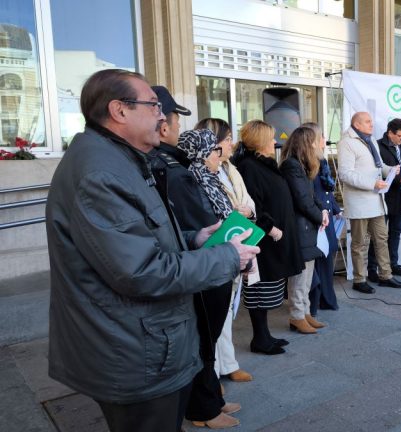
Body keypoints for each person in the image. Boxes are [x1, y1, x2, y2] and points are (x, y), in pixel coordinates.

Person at [46, 69, 258, 432]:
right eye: (154, 105)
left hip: (144, 343)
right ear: (119, 111)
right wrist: (225, 257)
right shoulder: (102, 173)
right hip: (134, 353)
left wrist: (194, 238)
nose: (163, 116)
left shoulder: (120, 159)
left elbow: (139, 237)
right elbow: (140, 271)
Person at [175, 129, 244, 429]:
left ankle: (211, 399)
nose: (220, 155)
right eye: (215, 150)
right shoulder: (187, 181)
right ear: (202, 154)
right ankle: (202, 409)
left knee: (211, 338)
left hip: (219, 264)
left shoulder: (206, 179)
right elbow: (199, 226)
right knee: (205, 340)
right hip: (206, 268)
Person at [193, 117, 254, 383]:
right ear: (213, 142)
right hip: (218, 246)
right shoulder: (198, 173)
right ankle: (214, 371)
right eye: (228, 139)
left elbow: (248, 200)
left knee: (230, 307)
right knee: (217, 310)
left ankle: (227, 363)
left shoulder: (231, 169)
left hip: (239, 239)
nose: (232, 144)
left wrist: (248, 210)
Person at [237, 120, 305, 345]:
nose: (275, 142)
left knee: (269, 287)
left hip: (273, 238)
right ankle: (260, 338)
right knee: (259, 287)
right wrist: (271, 228)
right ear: (260, 142)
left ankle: (264, 335)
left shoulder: (264, 163)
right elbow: (254, 204)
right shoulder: (249, 166)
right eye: (271, 138)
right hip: (263, 239)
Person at [337, 111, 401, 293]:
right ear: (356, 124)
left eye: (371, 122)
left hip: (376, 201)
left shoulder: (371, 139)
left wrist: (390, 169)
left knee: (382, 239)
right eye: (367, 122)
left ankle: (386, 275)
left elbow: (378, 165)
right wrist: (372, 183)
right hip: (360, 202)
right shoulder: (346, 143)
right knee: (359, 244)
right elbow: (345, 173)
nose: (371, 125)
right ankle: (359, 280)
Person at [280, 126, 330, 333]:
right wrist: (320, 217)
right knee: (300, 276)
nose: (321, 144)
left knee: (307, 274)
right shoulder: (292, 166)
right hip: (301, 227)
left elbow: (311, 196)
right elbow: (302, 200)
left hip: (308, 226)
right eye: (317, 140)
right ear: (307, 144)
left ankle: (306, 312)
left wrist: (323, 211)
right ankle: (297, 316)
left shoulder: (300, 165)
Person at [367, 118, 401, 280]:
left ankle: (393, 264)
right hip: (384, 198)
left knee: (395, 232)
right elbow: (377, 172)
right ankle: (372, 268)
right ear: (390, 133)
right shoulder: (378, 147)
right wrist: (398, 178)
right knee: (379, 235)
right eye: (400, 136)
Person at [304, 122, 341, 314]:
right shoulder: (305, 163)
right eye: (321, 137)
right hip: (316, 218)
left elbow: (327, 192)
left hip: (326, 217)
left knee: (327, 260)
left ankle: (327, 299)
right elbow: (310, 195)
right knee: (317, 263)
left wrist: (335, 208)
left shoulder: (321, 160)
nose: (324, 141)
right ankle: (315, 302)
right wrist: (322, 213)